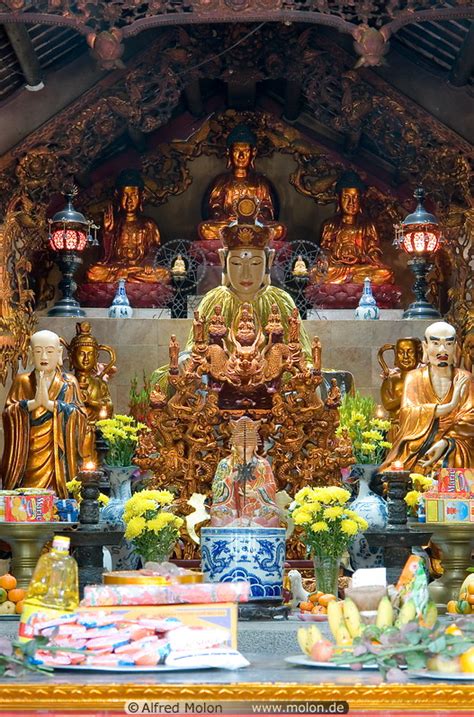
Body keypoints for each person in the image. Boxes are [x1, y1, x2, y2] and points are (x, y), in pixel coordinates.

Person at [1, 330, 87, 498]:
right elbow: (8, 413)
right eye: (38, 351)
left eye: (49, 351)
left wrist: (51, 405)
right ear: (31, 354)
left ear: (59, 353)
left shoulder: (69, 383)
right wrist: (31, 405)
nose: (44, 356)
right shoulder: (22, 380)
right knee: (26, 491)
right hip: (27, 450)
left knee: (56, 493)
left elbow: (81, 416)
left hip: (57, 454)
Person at [380, 321, 473, 473]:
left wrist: (446, 441)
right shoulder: (414, 378)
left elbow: (471, 418)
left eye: (448, 344)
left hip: (454, 443)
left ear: (456, 348)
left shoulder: (465, 378)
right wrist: (448, 406)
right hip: (421, 440)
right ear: (425, 347)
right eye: (435, 343)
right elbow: (407, 414)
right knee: (409, 454)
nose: (442, 350)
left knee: (458, 454)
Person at [198, 124, 285, 242]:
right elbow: (214, 206)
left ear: (253, 153)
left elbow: (268, 207)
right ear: (229, 152)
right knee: (206, 229)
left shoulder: (260, 182)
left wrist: (257, 217)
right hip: (229, 226)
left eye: (246, 151)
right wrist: (223, 216)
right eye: (237, 151)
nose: (241, 156)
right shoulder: (222, 180)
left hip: (255, 226)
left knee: (278, 229)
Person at [87, 169, 169, 284]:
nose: (129, 200)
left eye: (134, 195)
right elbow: (105, 257)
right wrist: (107, 233)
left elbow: (154, 249)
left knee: (165, 274)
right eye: (125, 195)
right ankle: (126, 279)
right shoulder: (114, 223)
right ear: (117, 196)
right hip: (117, 267)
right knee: (93, 272)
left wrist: (149, 262)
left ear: (142, 196)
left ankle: (124, 279)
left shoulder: (149, 224)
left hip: (138, 268)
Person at [312, 171, 394, 286]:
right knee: (315, 273)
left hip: (360, 268)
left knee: (385, 273)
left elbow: (373, 250)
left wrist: (361, 257)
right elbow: (324, 250)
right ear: (339, 199)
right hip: (338, 268)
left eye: (356, 197)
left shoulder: (368, 225)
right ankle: (351, 281)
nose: (351, 202)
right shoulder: (330, 225)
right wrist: (334, 256)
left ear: (361, 199)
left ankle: (351, 281)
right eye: (346, 197)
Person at [210, 416, 280, 527]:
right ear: (234, 443)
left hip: (256, 504)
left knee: (273, 515)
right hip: (231, 507)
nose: (245, 443)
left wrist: (256, 493)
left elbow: (271, 486)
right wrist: (229, 480)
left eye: (249, 439)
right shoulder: (225, 463)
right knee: (218, 515)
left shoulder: (263, 464)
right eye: (241, 439)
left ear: (256, 444)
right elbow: (216, 488)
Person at [65, 321, 115, 462]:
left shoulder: (99, 384)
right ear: (71, 356)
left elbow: (108, 408)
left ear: (97, 357)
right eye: (81, 354)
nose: (86, 359)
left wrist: (91, 402)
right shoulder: (66, 383)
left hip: (95, 437)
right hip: (71, 435)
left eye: (90, 354)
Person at [378, 337, 423, 441]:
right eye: (401, 352)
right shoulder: (391, 380)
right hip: (396, 428)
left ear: (418, 354)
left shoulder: (424, 378)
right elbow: (387, 405)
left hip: (419, 428)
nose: (405, 357)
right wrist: (407, 395)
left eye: (410, 352)